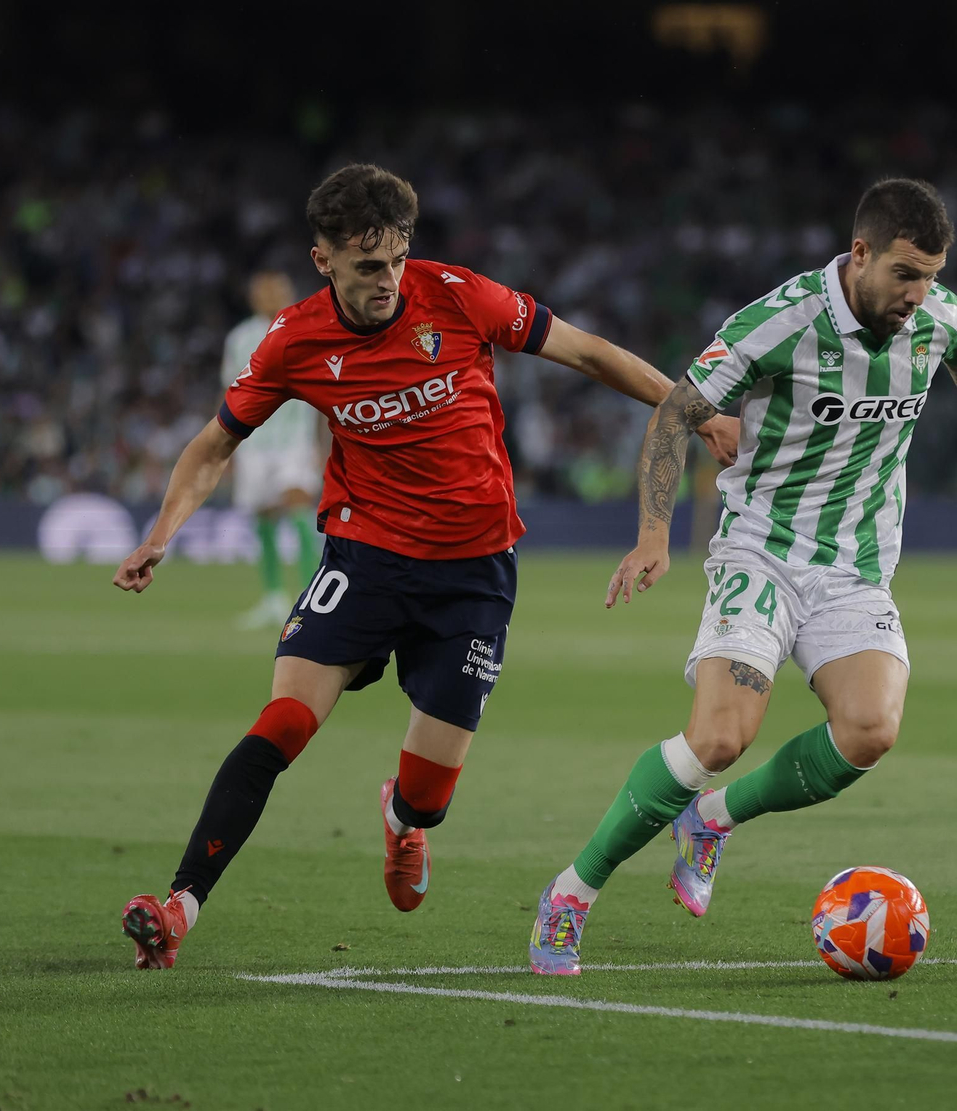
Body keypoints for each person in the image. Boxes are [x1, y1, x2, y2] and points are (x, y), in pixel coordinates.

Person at [112, 163, 739, 969]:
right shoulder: (295, 340)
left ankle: (402, 821)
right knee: (283, 722)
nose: (388, 280)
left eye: (398, 259)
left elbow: (587, 353)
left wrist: (695, 410)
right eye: (368, 265)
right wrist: (161, 531)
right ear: (323, 260)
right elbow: (212, 445)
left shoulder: (458, 295)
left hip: (473, 574)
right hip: (365, 556)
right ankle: (179, 905)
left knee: (427, 794)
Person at [527, 178, 957, 975]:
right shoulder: (782, 321)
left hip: (857, 567)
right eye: (905, 273)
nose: (918, 294)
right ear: (860, 253)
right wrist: (655, 532)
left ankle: (712, 820)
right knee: (718, 737)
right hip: (760, 551)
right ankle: (571, 893)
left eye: (931, 276)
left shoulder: (934, 318)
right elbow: (676, 411)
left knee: (870, 730)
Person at [219, 270, 325, 629]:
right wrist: (227, 447)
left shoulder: (307, 329)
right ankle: (273, 597)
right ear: (253, 297)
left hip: (295, 441)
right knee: (264, 516)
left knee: (298, 508)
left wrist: (322, 445)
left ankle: (312, 597)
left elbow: (323, 392)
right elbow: (230, 393)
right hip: (254, 444)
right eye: (264, 292)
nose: (270, 297)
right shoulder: (239, 338)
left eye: (277, 291)